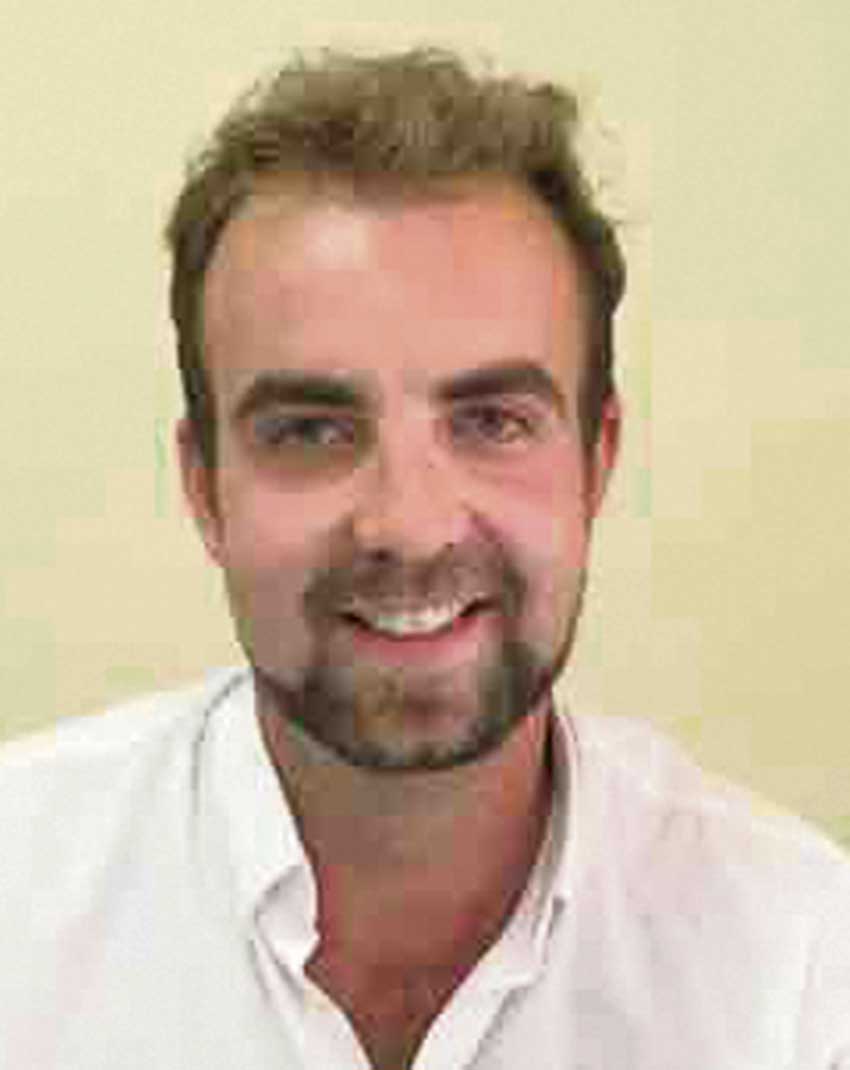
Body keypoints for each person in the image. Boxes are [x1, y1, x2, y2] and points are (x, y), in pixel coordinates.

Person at [1, 47, 847, 1070]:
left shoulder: (802, 968)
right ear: (204, 487)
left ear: (597, 461)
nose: (409, 524)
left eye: (491, 421)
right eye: (312, 430)